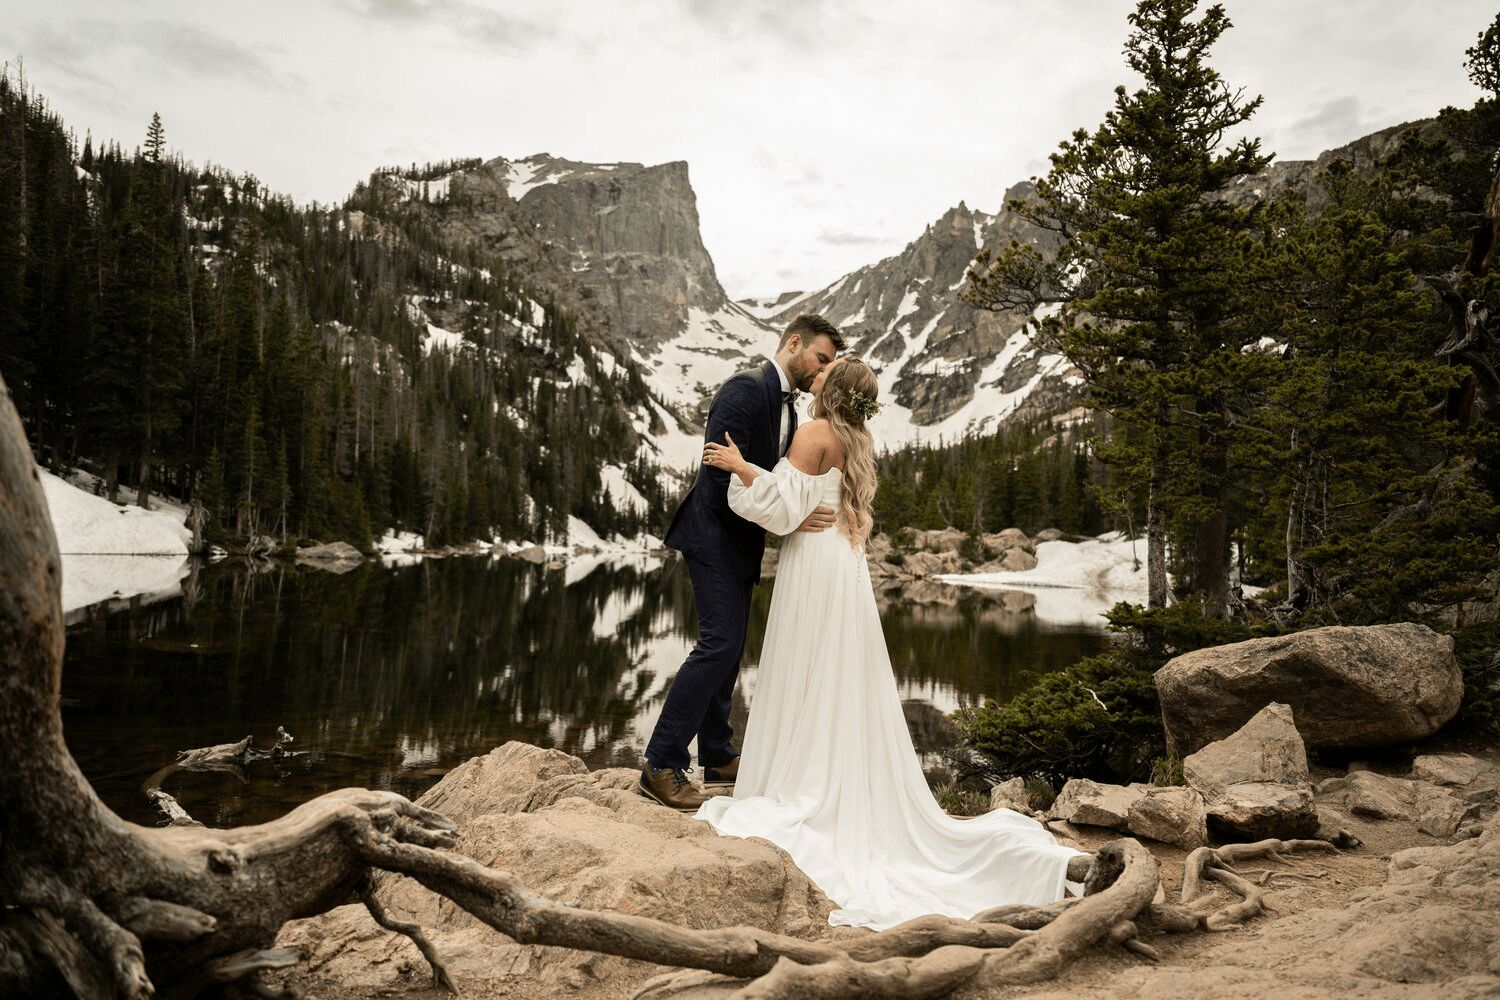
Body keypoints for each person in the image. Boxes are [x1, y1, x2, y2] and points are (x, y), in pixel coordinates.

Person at [693, 356, 1085, 930]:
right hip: (843, 563)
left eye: (825, 373)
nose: (816, 377)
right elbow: (815, 502)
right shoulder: (857, 438)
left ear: (834, 389)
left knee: (809, 665)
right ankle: (840, 779)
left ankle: (805, 782)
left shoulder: (814, 432)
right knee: (837, 671)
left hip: (814, 565)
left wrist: (739, 467)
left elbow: (781, 508)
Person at [640, 314, 845, 809]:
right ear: (793, 343)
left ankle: (716, 753)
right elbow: (719, 475)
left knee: (731, 651)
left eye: (830, 366)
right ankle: (660, 763)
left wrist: (786, 512)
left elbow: (775, 481)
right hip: (713, 538)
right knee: (718, 645)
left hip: (742, 544)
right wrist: (787, 520)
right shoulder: (745, 388)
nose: (822, 371)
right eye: (820, 359)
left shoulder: (790, 408)